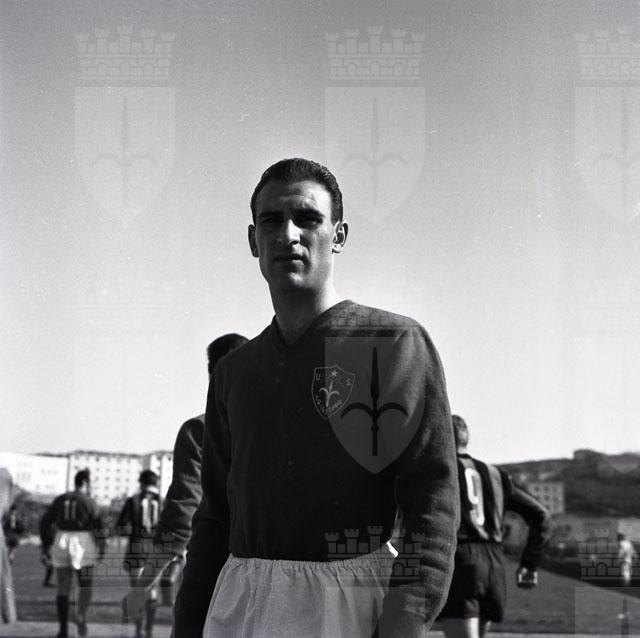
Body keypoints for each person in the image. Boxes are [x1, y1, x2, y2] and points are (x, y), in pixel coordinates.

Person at [174, 158, 459, 637]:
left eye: (307, 218)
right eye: (272, 220)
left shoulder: (392, 342)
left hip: (349, 610)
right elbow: (214, 519)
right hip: (240, 610)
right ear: (253, 240)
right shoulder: (233, 373)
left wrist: (403, 624)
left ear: (339, 235)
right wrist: (186, 627)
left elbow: (432, 504)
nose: (288, 234)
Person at [439, 415, 551, 638]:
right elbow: (541, 515)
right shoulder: (497, 474)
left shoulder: (441, 470)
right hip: (494, 563)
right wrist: (530, 562)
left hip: (462, 559)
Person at [40, 469, 106, 638]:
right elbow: (99, 527)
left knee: (63, 588)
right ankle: (81, 615)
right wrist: (102, 548)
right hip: (82, 541)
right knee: (85, 585)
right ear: (85, 482)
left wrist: (46, 544)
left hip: (61, 539)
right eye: (90, 483)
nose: (91, 486)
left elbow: (45, 521)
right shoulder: (89, 501)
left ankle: (63, 630)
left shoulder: (61, 499)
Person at [116, 470, 162, 638]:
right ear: (156, 483)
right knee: (152, 591)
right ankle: (149, 630)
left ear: (141, 483)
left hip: (136, 548)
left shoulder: (133, 501)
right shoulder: (163, 502)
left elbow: (121, 526)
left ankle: (139, 631)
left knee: (138, 591)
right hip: (156, 550)